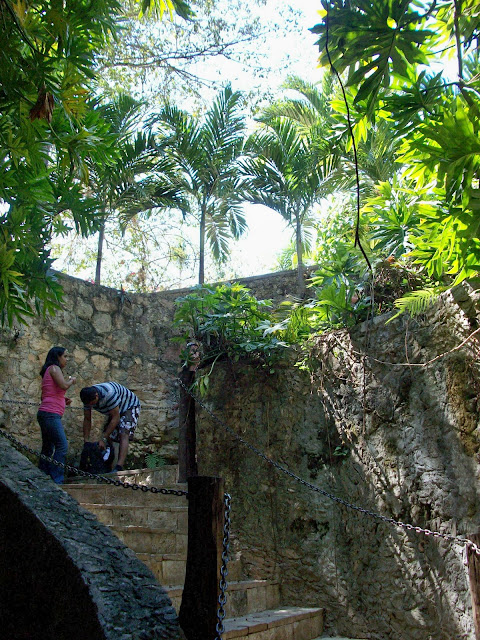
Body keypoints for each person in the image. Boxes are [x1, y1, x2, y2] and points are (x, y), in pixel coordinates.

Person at [80, 382, 141, 472]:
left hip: (129, 406)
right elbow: (87, 419)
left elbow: (116, 418)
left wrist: (103, 439)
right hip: (114, 409)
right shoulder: (87, 398)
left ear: (96, 396)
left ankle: (119, 466)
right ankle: (109, 465)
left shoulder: (109, 394)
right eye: (89, 405)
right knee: (110, 435)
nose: (91, 406)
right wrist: (86, 440)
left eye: (92, 404)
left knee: (124, 433)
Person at [37, 347, 76, 484]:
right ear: (57, 357)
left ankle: (42, 475)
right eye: (65, 356)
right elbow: (64, 385)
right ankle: (57, 479)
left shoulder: (48, 370)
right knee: (62, 445)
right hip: (51, 414)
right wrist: (72, 380)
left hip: (46, 413)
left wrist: (62, 400)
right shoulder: (55, 368)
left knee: (48, 447)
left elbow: (46, 395)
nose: (66, 359)